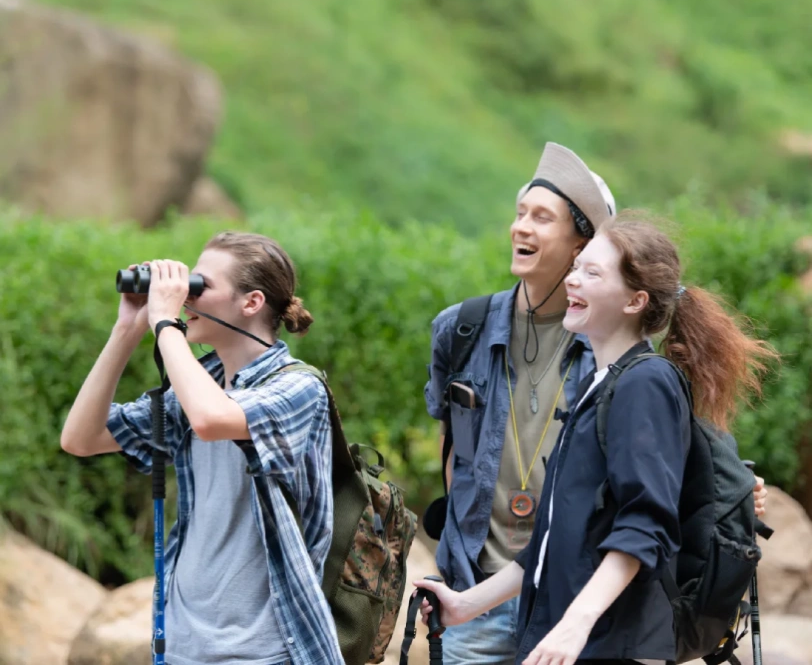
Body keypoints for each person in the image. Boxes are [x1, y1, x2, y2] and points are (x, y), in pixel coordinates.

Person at [423, 143, 768, 664]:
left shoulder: (642, 382)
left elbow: (644, 522)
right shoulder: (601, 385)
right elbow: (550, 539)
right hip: (554, 619)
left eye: (590, 272)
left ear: (634, 301)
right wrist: (464, 604)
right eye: (577, 270)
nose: (573, 281)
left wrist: (575, 625)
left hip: (601, 637)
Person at [60, 232, 343, 665]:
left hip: (265, 651)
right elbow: (80, 437)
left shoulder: (299, 389)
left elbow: (212, 421)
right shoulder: (198, 386)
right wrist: (128, 329)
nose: (184, 297)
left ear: (251, 303)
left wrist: (165, 324)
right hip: (185, 646)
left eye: (199, 286)